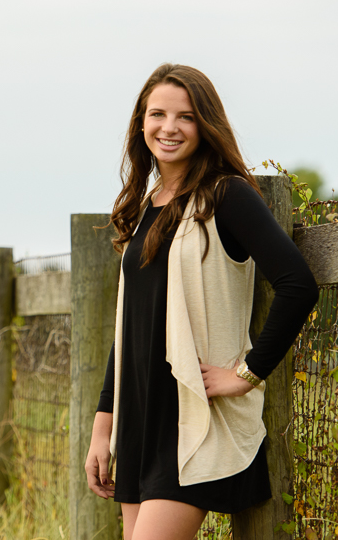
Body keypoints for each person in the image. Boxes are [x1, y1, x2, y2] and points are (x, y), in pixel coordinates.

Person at [84, 63, 319, 540]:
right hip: (140, 418)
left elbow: (298, 285)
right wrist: (102, 429)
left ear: (205, 124)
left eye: (185, 116)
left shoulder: (227, 195)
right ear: (140, 123)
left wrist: (248, 372)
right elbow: (127, 329)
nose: (169, 128)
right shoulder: (144, 206)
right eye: (157, 114)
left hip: (192, 417)